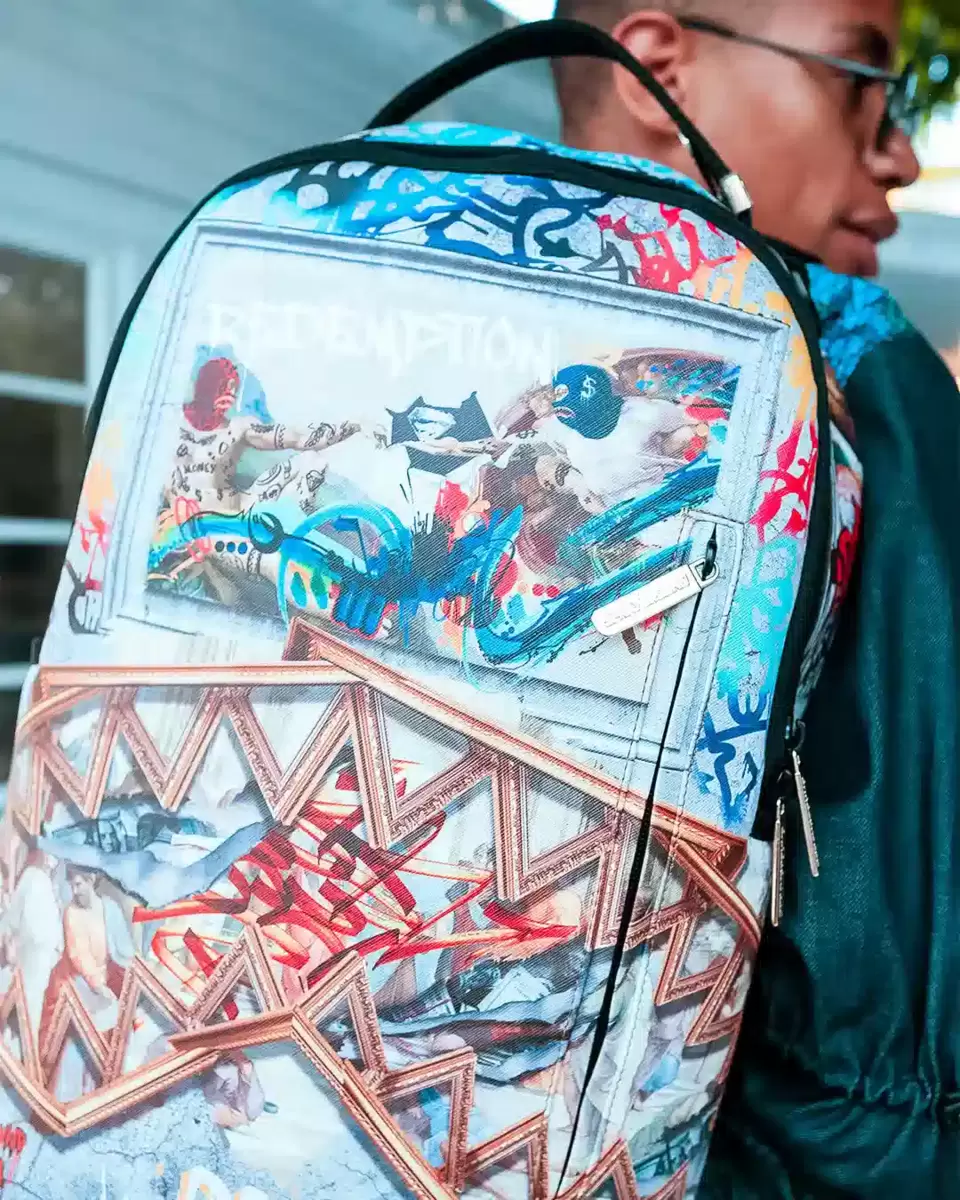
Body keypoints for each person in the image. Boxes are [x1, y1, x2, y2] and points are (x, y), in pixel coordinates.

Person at [551, 2, 959, 1197]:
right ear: (658, 65)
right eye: (858, 78)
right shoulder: (855, 373)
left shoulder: (404, 300)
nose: (900, 154)